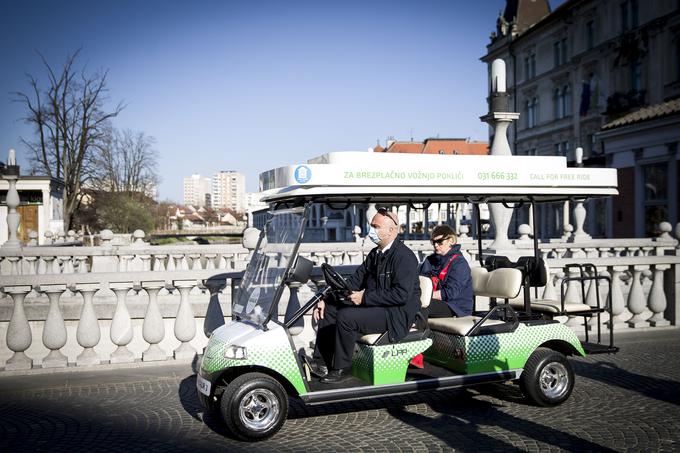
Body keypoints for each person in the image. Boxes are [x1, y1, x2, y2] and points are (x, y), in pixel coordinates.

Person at [311, 207, 421, 383]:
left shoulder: (404, 257)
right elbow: (355, 281)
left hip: (396, 315)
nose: (372, 230)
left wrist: (364, 298)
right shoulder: (375, 254)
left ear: (391, 231)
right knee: (331, 308)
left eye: (376, 226)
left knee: (347, 317)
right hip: (378, 307)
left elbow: (401, 295)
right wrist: (327, 298)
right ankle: (322, 362)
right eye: (372, 226)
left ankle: (342, 367)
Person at [420, 225, 473, 318]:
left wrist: (425, 295)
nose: (436, 245)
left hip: (456, 307)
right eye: (434, 242)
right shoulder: (430, 260)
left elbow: (450, 293)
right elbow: (420, 281)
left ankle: (420, 331)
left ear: (451, 241)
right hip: (437, 301)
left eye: (440, 242)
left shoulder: (459, 263)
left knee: (419, 305)